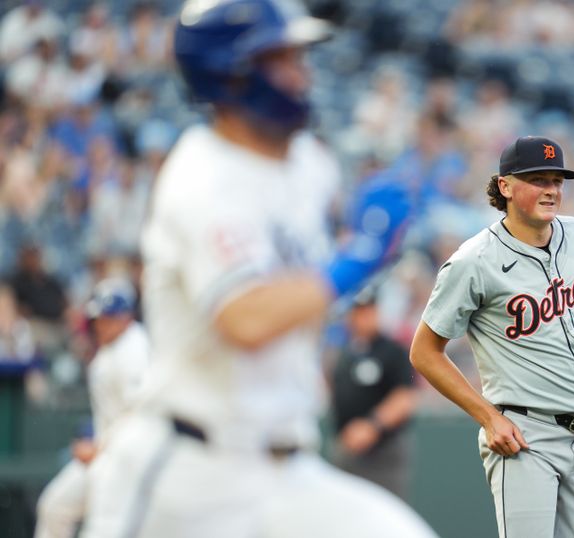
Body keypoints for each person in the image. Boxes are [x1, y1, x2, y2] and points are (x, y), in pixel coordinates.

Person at [79, 1, 436, 537]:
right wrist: (357, 258)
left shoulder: (309, 165)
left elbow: (304, 283)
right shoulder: (201, 174)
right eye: (281, 57)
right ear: (232, 72)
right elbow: (246, 319)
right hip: (189, 472)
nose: (302, 72)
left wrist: (356, 247)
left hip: (285, 466)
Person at [410, 136, 574, 538]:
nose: (551, 190)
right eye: (538, 179)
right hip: (524, 435)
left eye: (557, 180)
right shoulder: (474, 260)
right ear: (505, 186)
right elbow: (424, 353)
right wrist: (488, 417)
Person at [35, 278, 149, 538]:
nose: (102, 324)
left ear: (127, 316)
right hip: (106, 453)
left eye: (109, 317)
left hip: (126, 459)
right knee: (54, 507)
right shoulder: (112, 346)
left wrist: (99, 446)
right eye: (99, 318)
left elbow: (140, 415)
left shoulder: (134, 350)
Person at [330, 289, 417, 499]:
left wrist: (372, 426)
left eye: (368, 311)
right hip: (347, 448)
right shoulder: (345, 353)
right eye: (358, 312)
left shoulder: (392, 351)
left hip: (382, 452)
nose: (362, 318)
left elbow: (405, 398)